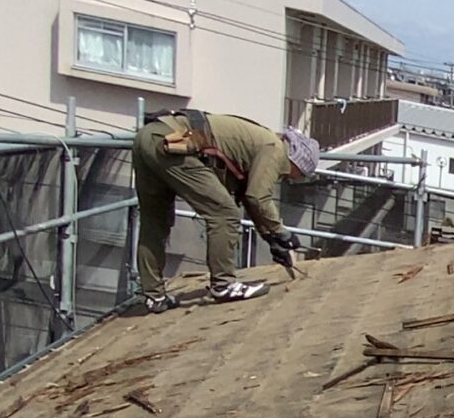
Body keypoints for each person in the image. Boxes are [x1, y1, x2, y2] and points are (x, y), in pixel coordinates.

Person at [129, 109, 320, 309]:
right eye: (301, 174)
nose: (292, 179)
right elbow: (258, 196)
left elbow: (249, 197)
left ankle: (154, 296)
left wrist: (271, 238)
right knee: (224, 213)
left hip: (150, 136)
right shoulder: (275, 150)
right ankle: (223, 285)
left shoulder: (261, 143)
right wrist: (283, 233)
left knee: (154, 222)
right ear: (298, 163)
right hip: (174, 142)